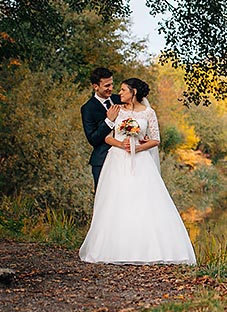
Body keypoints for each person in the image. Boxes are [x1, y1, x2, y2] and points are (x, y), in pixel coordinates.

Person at [79, 77, 197, 264]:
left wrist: (138, 148)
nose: (120, 93)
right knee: (116, 201)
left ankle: (146, 249)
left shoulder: (149, 113)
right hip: (117, 160)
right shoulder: (116, 111)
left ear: (134, 92)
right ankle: (114, 249)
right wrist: (122, 144)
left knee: (142, 201)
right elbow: (107, 137)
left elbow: (155, 139)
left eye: (124, 90)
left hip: (141, 161)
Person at [80, 67, 121, 189]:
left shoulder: (120, 99)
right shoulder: (88, 108)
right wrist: (109, 121)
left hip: (125, 159)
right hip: (102, 160)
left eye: (112, 84)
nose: (111, 89)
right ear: (95, 86)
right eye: (107, 86)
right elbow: (92, 139)